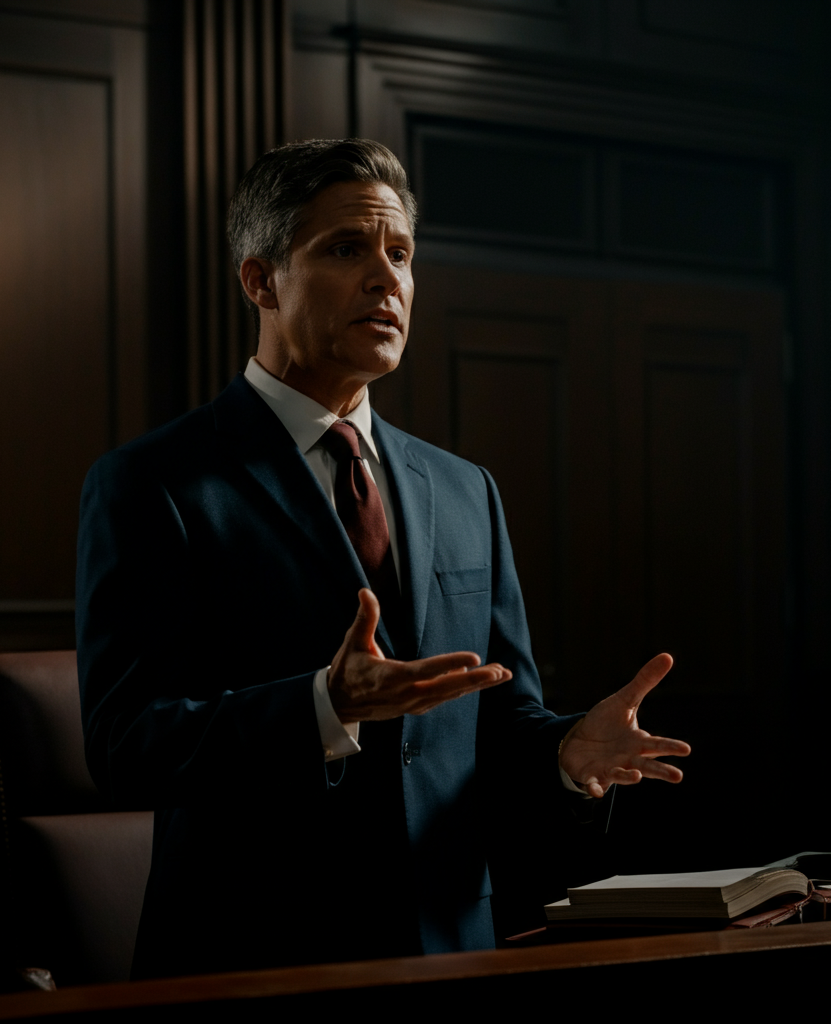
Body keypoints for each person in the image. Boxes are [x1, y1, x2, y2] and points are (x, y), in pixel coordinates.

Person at [76, 139, 690, 979]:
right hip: (249, 959)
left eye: (399, 254)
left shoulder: (464, 487)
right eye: (345, 250)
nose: (386, 278)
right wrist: (322, 705)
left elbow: (497, 713)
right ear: (261, 281)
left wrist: (565, 753)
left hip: (448, 946)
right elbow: (124, 745)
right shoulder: (152, 484)